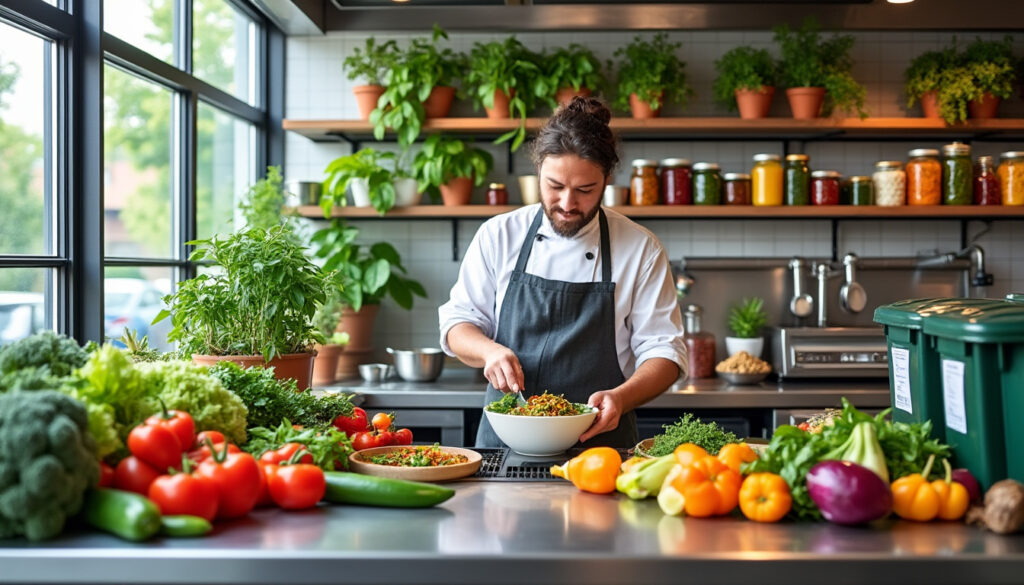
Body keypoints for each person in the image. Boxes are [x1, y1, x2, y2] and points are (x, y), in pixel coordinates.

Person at [438, 96, 687, 449]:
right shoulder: (499, 234)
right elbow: (457, 325)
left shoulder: (640, 248)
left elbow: (665, 352)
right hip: (505, 448)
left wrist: (623, 397)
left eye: (585, 190)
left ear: (606, 180)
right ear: (538, 170)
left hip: (600, 448)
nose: (568, 204)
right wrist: (489, 352)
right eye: (555, 186)